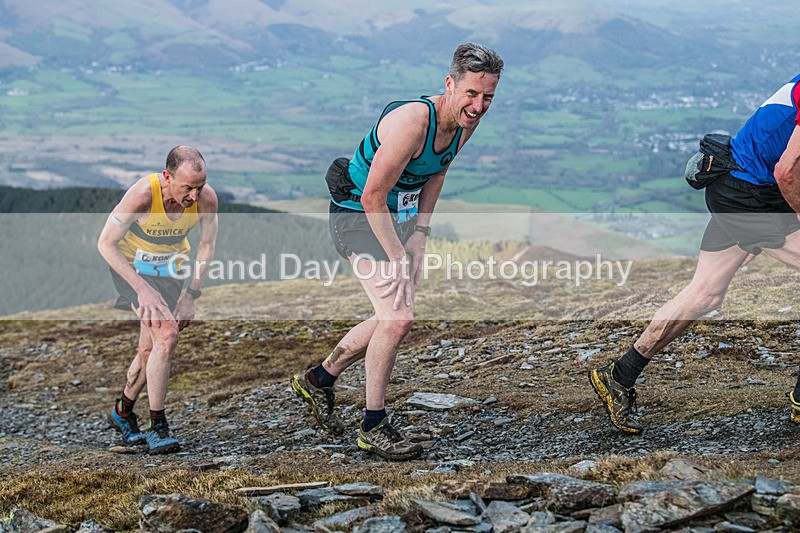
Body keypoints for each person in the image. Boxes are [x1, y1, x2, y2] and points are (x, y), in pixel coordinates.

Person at [290, 43, 504, 460]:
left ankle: (318, 380)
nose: (479, 106)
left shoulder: (465, 121)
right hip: (357, 213)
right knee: (399, 317)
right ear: (449, 84)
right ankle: (374, 425)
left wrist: (420, 233)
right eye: (472, 94)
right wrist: (396, 254)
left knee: (390, 312)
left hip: (398, 216)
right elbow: (372, 195)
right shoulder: (411, 122)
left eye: (488, 96)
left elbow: (439, 170)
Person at [589, 73, 800, 434]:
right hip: (748, 195)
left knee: (705, 294)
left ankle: (619, 374)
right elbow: (786, 172)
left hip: (738, 185)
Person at [98, 146, 218, 453]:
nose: (194, 195)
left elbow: (206, 246)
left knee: (149, 346)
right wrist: (141, 289)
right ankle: (158, 425)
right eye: (187, 187)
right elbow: (105, 244)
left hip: (169, 268)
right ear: (167, 176)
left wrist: (191, 295)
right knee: (167, 335)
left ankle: (122, 411)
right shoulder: (142, 194)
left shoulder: (206, 200)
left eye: (200, 186)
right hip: (131, 268)